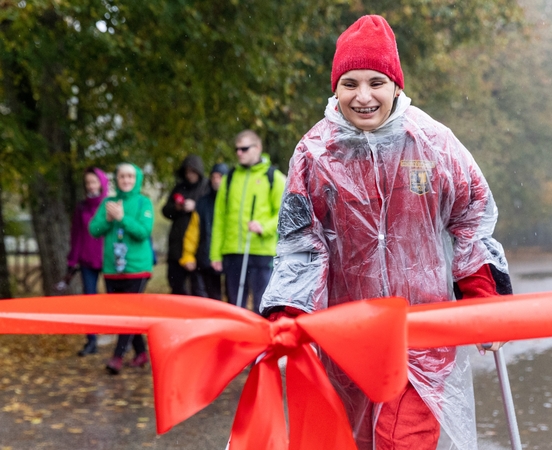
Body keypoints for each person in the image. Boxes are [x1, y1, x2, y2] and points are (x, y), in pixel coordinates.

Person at [260, 15, 513, 450]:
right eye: (350, 83)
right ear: (335, 87)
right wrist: (289, 315)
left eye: (376, 82)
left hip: (423, 334)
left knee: (402, 441)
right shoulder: (315, 153)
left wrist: (483, 298)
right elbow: (302, 243)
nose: (363, 97)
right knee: (353, 440)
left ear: (396, 85)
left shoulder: (434, 143)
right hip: (347, 336)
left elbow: (471, 219)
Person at [89, 163, 155, 375]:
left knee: (129, 312)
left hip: (137, 268)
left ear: (137, 179)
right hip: (112, 268)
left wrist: (121, 218)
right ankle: (141, 353)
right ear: (116, 180)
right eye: (122, 176)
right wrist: (108, 220)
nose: (126, 180)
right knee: (123, 313)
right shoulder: (108, 203)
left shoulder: (144, 202)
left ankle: (117, 356)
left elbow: (143, 232)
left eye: (130, 176)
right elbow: (93, 230)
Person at [210, 130, 285, 313]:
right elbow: (219, 218)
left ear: (257, 148)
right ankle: (238, 341)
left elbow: (285, 214)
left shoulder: (273, 177)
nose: (239, 153)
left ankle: (262, 341)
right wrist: (215, 254)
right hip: (232, 251)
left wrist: (264, 227)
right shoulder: (229, 178)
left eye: (244, 149)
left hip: (261, 251)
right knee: (235, 306)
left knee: (263, 303)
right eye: (237, 149)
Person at [57, 167, 109, 356]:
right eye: (87, 182)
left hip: (108, 260)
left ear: (101, 183)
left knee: (116, 301)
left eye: (94, 182)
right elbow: (77, 235)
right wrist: (72, 261)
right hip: (87, 261)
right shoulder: (81, 208)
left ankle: (123, 340)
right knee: (89, 301)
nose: (90, 186)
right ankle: (91, 340)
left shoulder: (109, 204)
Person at [178, 163, 229, 300]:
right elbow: (192, 233)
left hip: (230, 260)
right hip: (206, 259)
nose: (216, 180)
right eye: (213, 177)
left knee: (233, 300)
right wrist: (188, 256)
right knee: (210, 299)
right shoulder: (202, 203)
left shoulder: (234, 202)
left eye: (220, 177)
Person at [162, 155, 208, 295]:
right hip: (177, 245)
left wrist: (196, 206)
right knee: (176, 286)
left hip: (198, 246)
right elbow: (165, 210)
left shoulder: (206, 187)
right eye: (187, 172)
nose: (189, 175)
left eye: (192, 171)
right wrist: (177, 208)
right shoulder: (179, 187)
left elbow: (212, 212)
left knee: (198, 288)